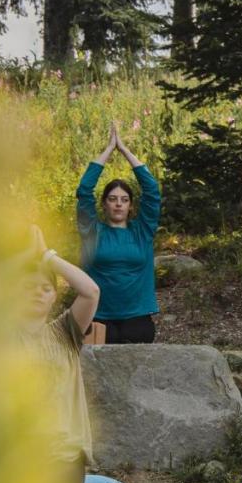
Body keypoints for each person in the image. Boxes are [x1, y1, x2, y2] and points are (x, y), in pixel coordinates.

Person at [21, 225, 102, 483]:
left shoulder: (64, 332)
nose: (37, 293)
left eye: (45, 288)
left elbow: (90, 291)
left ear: (54, 296)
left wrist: (46, 256)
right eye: (28, 287)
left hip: (62, 463)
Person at [75, 121, 161, 343]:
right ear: (104, 204)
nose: (118, 204)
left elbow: (152, 191)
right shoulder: (92, 232)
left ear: (131, 206)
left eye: (124, 200)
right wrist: (108, 150)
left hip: (138, 319)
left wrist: (124, 150)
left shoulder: (142, 232)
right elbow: (84, 191)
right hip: (98, 318)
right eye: (112, 199)